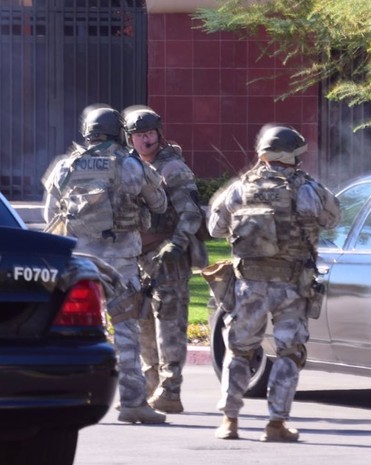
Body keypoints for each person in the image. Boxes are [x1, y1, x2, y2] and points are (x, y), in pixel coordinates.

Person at [208, 124, 341, 442]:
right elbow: (333, 218)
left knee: (239, 350)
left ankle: (230, 421)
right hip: (292, 285)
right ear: (293, 156)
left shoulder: (240, 187)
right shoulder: (307, 188)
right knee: (289, 352)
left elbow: (215, 227)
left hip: (249, 284)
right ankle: (276, 424)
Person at [42, 104, 168, 424]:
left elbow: (49, 216)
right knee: (125, 328)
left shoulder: (64, 166)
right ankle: (132, 402)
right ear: (118, 132)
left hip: (79, 263)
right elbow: (160, 203)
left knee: (69, 330)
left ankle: (63, 398)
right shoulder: (129, 164)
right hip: (121, 261)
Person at [123, 105, 208, 414]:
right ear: (129, 138)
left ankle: (170, 389)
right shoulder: (130, 167)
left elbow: (191, 214)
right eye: (139, 135)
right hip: (138, 257)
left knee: (169, 323)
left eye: (150, 133)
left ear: (159, 134)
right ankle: (151, 387)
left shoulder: (173, 169)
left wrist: (175, 244)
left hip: (168, 258)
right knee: (142, 321)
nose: (146, 140)